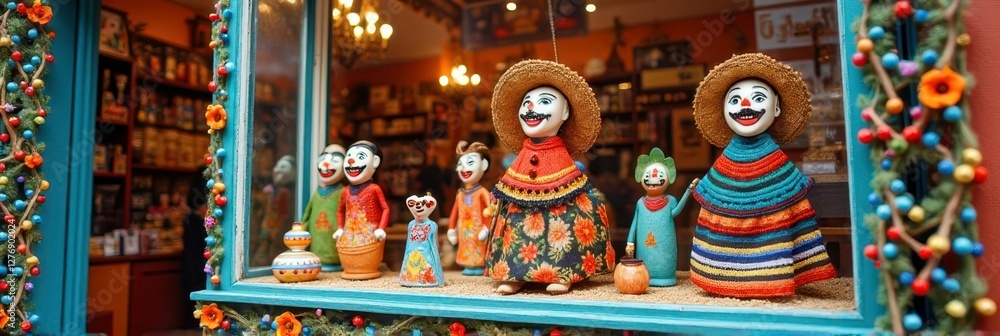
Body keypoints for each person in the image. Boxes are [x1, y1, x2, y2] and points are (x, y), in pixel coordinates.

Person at [689, 53, 836, 297]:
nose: (745, 106)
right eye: (734, 100)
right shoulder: (722, 167)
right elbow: (709, 219)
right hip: (717, 267)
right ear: (724, 110)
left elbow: (797, 216)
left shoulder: (780, 168)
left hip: (774, 264)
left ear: (776, 108)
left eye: (758, 97)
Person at [484, 60, 615, 295]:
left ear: (565, 112)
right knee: (515, 230)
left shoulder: (561, 158)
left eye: (545, 102)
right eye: (527, 103)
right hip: (520, 196)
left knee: (563, 224)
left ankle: (562, 273)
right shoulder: (522, 157)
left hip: (561, 197)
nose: (531, 109)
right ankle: (514, 273)